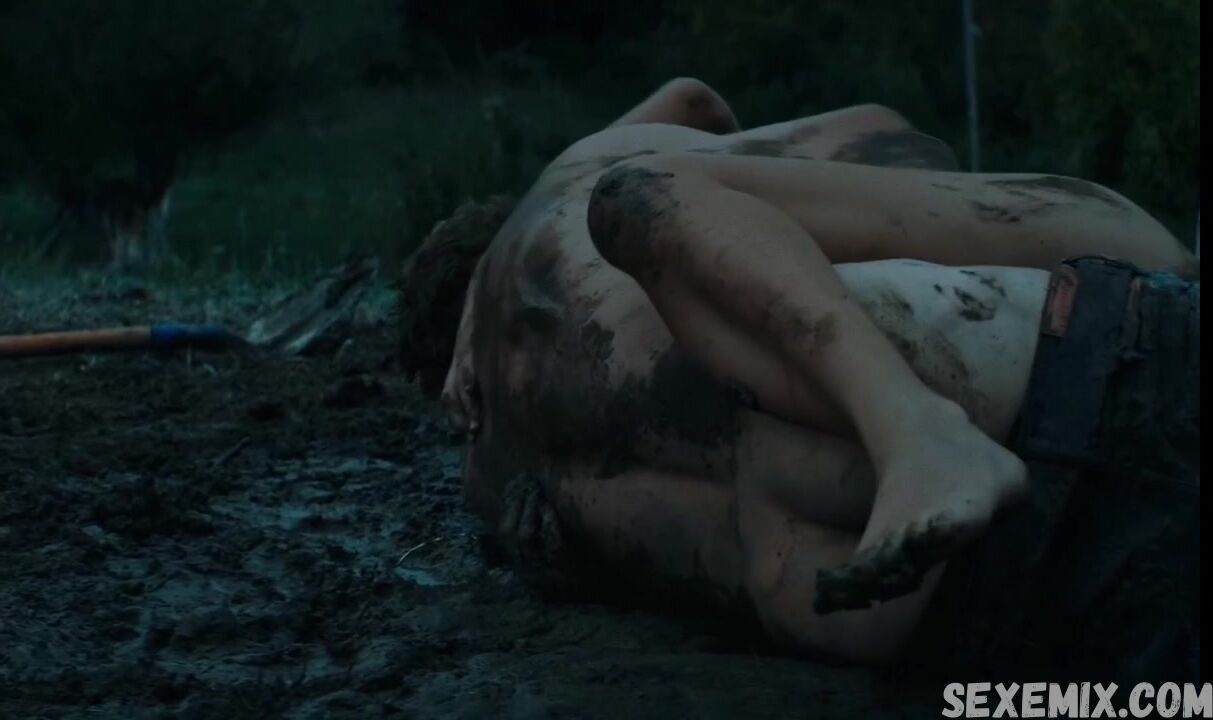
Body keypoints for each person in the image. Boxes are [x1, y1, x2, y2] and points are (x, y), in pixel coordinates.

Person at [398, 78, 1199, 675]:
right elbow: (848, 130)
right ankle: (915, 434)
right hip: (1069, 359)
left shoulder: (499, 482)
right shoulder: (569, 186)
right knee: (646, 198)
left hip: (959, 601)